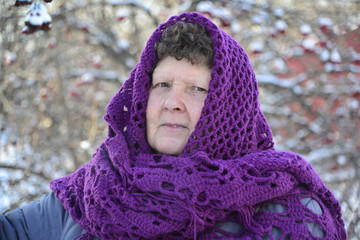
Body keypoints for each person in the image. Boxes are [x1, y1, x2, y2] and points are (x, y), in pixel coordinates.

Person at [0, 12, 347, 240]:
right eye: (161, 85)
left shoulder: (289, 213)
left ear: (229, 107)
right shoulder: (95, 189)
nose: (172, 102)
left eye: (197, 89)